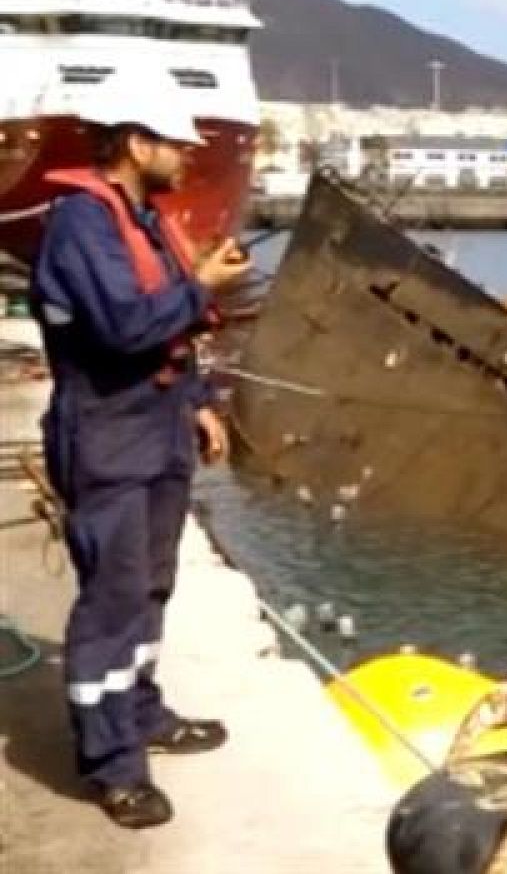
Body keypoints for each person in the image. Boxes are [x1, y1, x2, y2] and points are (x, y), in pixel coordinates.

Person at [30, 66, 251, 828]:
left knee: (152, 586)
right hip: (107, 433)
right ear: (133, 142)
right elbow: (126, 325)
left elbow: (167, 330)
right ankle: (110, 763)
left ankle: (142, 712)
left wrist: (199, 403)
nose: (188, 157)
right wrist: (207, 287)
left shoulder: (145, 216)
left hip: (155, 426)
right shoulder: (81, 225)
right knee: (113, 602)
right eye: (174, 144)